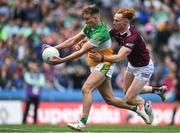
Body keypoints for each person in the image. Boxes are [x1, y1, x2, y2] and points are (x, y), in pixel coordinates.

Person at [43, 5, 153, 131]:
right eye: (84, 19)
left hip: (105, 63)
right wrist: (54, 48)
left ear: (96, 18)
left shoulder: (101, 32)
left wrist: (62, 60)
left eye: (88, 20)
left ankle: (82, 123)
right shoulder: (89, 26)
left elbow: (81, 52)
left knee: (86, 88)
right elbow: (73, 40)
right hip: (95, 63)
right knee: (110, 99)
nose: (85, 22)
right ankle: (138, 109)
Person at [90, 7, 167, 124]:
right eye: (114, 19)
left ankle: (146, 104)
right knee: (126, 92)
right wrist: (87, 43)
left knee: (129, 99)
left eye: (116, 20)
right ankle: (157, 90)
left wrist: (101, 58)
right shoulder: (116, 30)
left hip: (144, 68)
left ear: (125, 22)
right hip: (132, 64)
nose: (114, 22)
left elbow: (119, 57)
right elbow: (102, 37)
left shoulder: (132, 36)